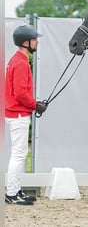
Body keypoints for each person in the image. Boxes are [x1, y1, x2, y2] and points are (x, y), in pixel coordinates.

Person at [5, 25, 48, 205]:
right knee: (18, 154)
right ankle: (12, 193)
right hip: (18, 114)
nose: (37, 41)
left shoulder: (16, 60)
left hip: (16, 113)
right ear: (26, 42)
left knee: (20, 154)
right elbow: (21, 93)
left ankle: (16, 190)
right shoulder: (21, 63)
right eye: (34, 39)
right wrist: (35, 105)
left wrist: (34, 105)